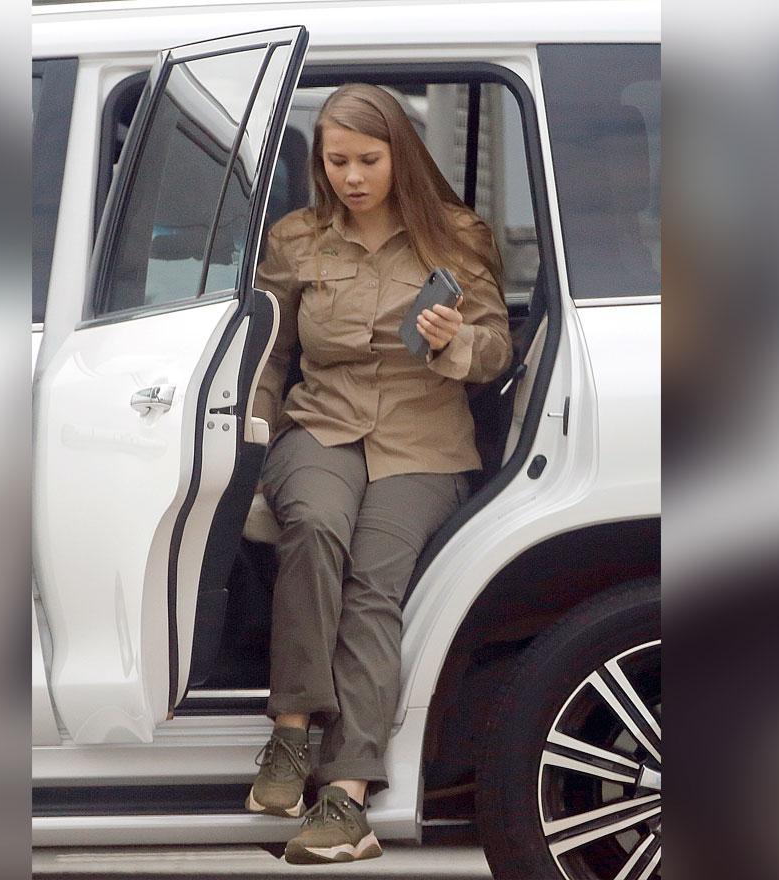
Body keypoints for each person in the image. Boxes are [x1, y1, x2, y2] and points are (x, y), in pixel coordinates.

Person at [245, 83, 512, 864]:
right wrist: (247, 446)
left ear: (401, 153)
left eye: (368, 159)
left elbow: (498, 352)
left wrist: (456, 337)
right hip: (321, 427)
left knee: (374, 582)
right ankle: (291, 734)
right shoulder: (297, 239)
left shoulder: (457, 238)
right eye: (337, 162)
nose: (353, 177)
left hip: (423, 441)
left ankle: (347, 796)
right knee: (315, 528)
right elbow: (270, 353)